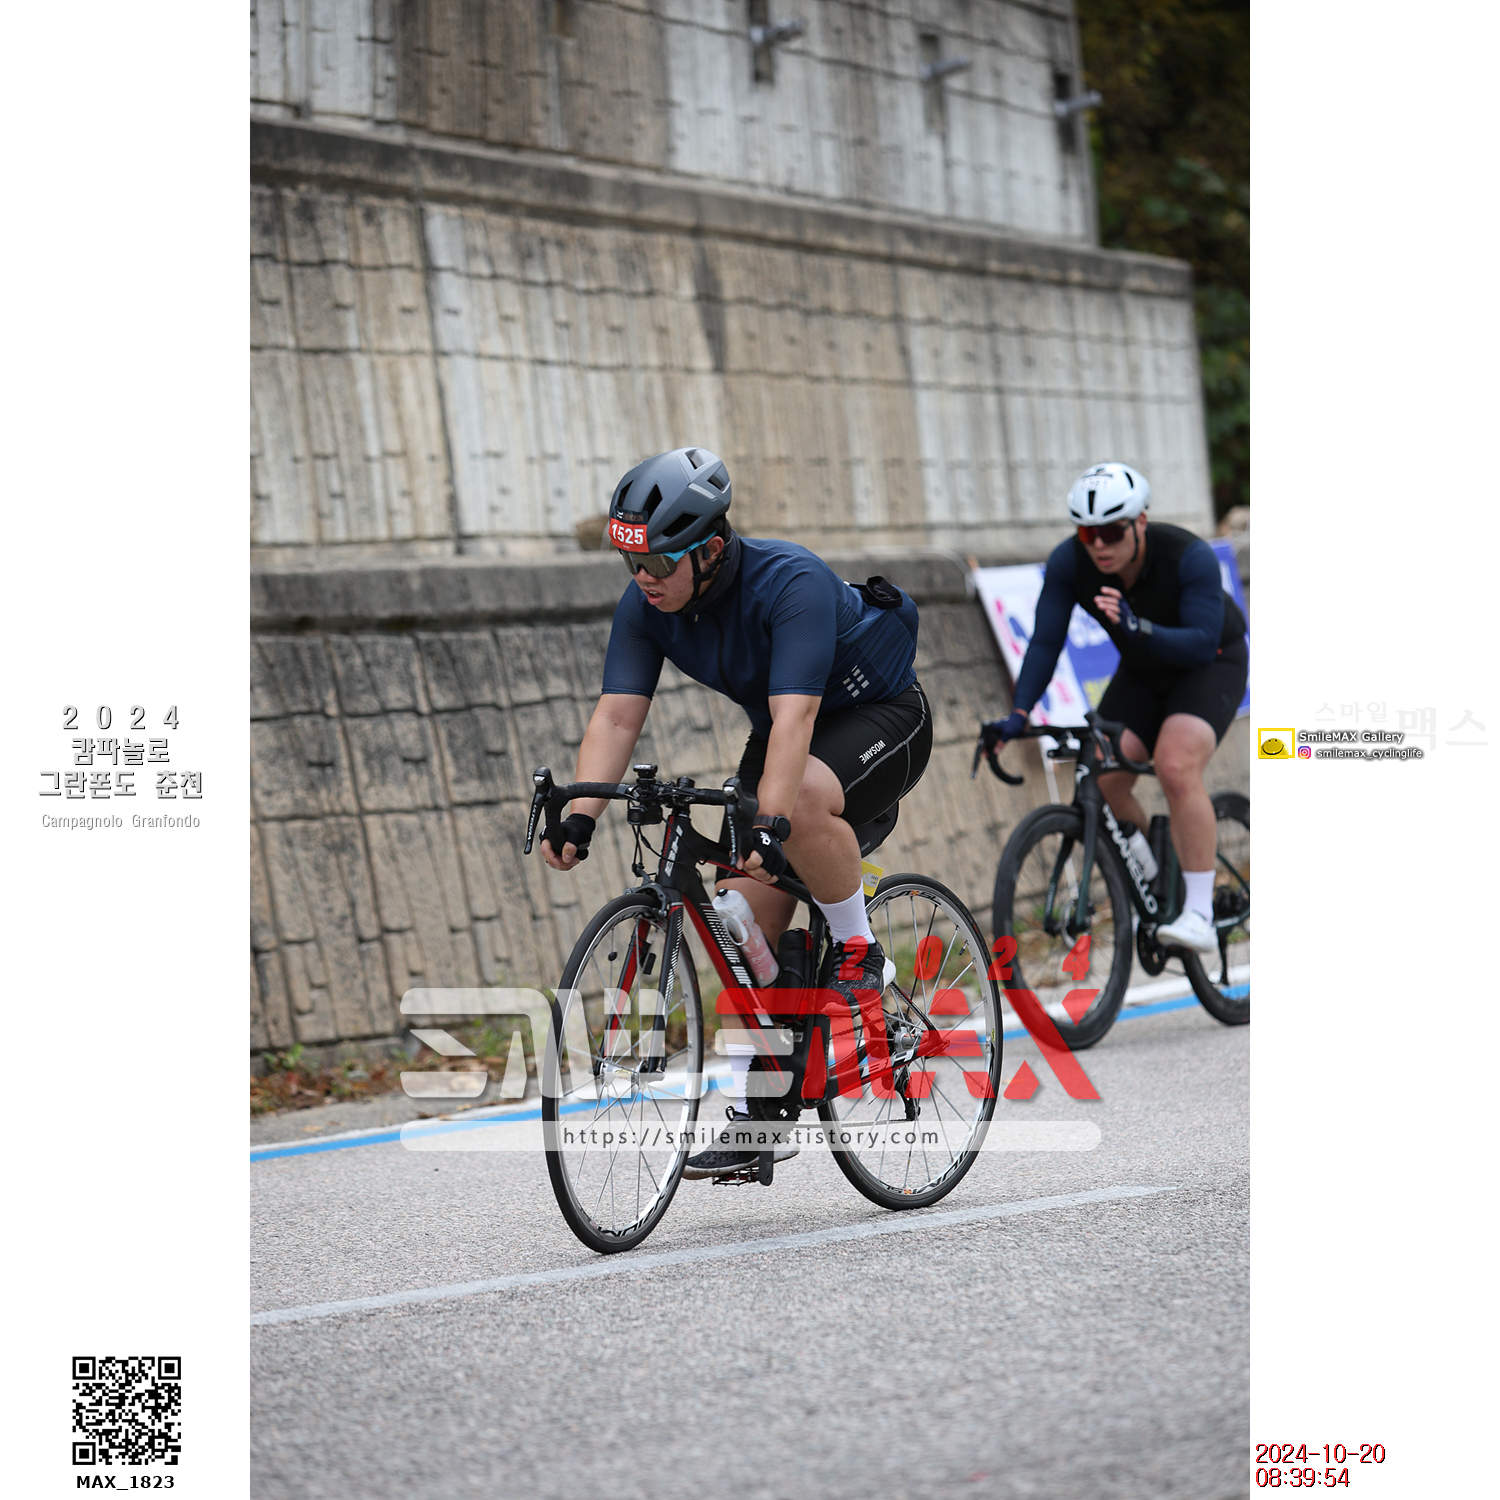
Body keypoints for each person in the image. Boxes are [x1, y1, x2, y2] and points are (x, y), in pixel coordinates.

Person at [540, 446, 932, 1177]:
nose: (642, 578)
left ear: (711, 549)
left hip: (879, 717)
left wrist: (772, 822)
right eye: (630, 561)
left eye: (657, 562)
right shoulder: (646, 606)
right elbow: (617, 716)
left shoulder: (791, 582)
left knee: (796, 802)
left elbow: (797, 717)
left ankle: (859, 952)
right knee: (739, 922)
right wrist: (581, 815)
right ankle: (764, 1112)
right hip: (784, 732)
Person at [980, 461, 1248, 952]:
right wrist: (1018, 714)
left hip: (1209, 663)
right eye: (1088, 533)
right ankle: (1159, 876)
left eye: (1112, 531)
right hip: (1143, 670)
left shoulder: (1186, 555)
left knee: (1174, 764)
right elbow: (1045, 643)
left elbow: (1199, 641)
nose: (1099, 544)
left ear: (1140, 522)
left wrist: (1136, 626)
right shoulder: (1070, 563)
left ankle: (1199, 912)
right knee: (1102, 776)